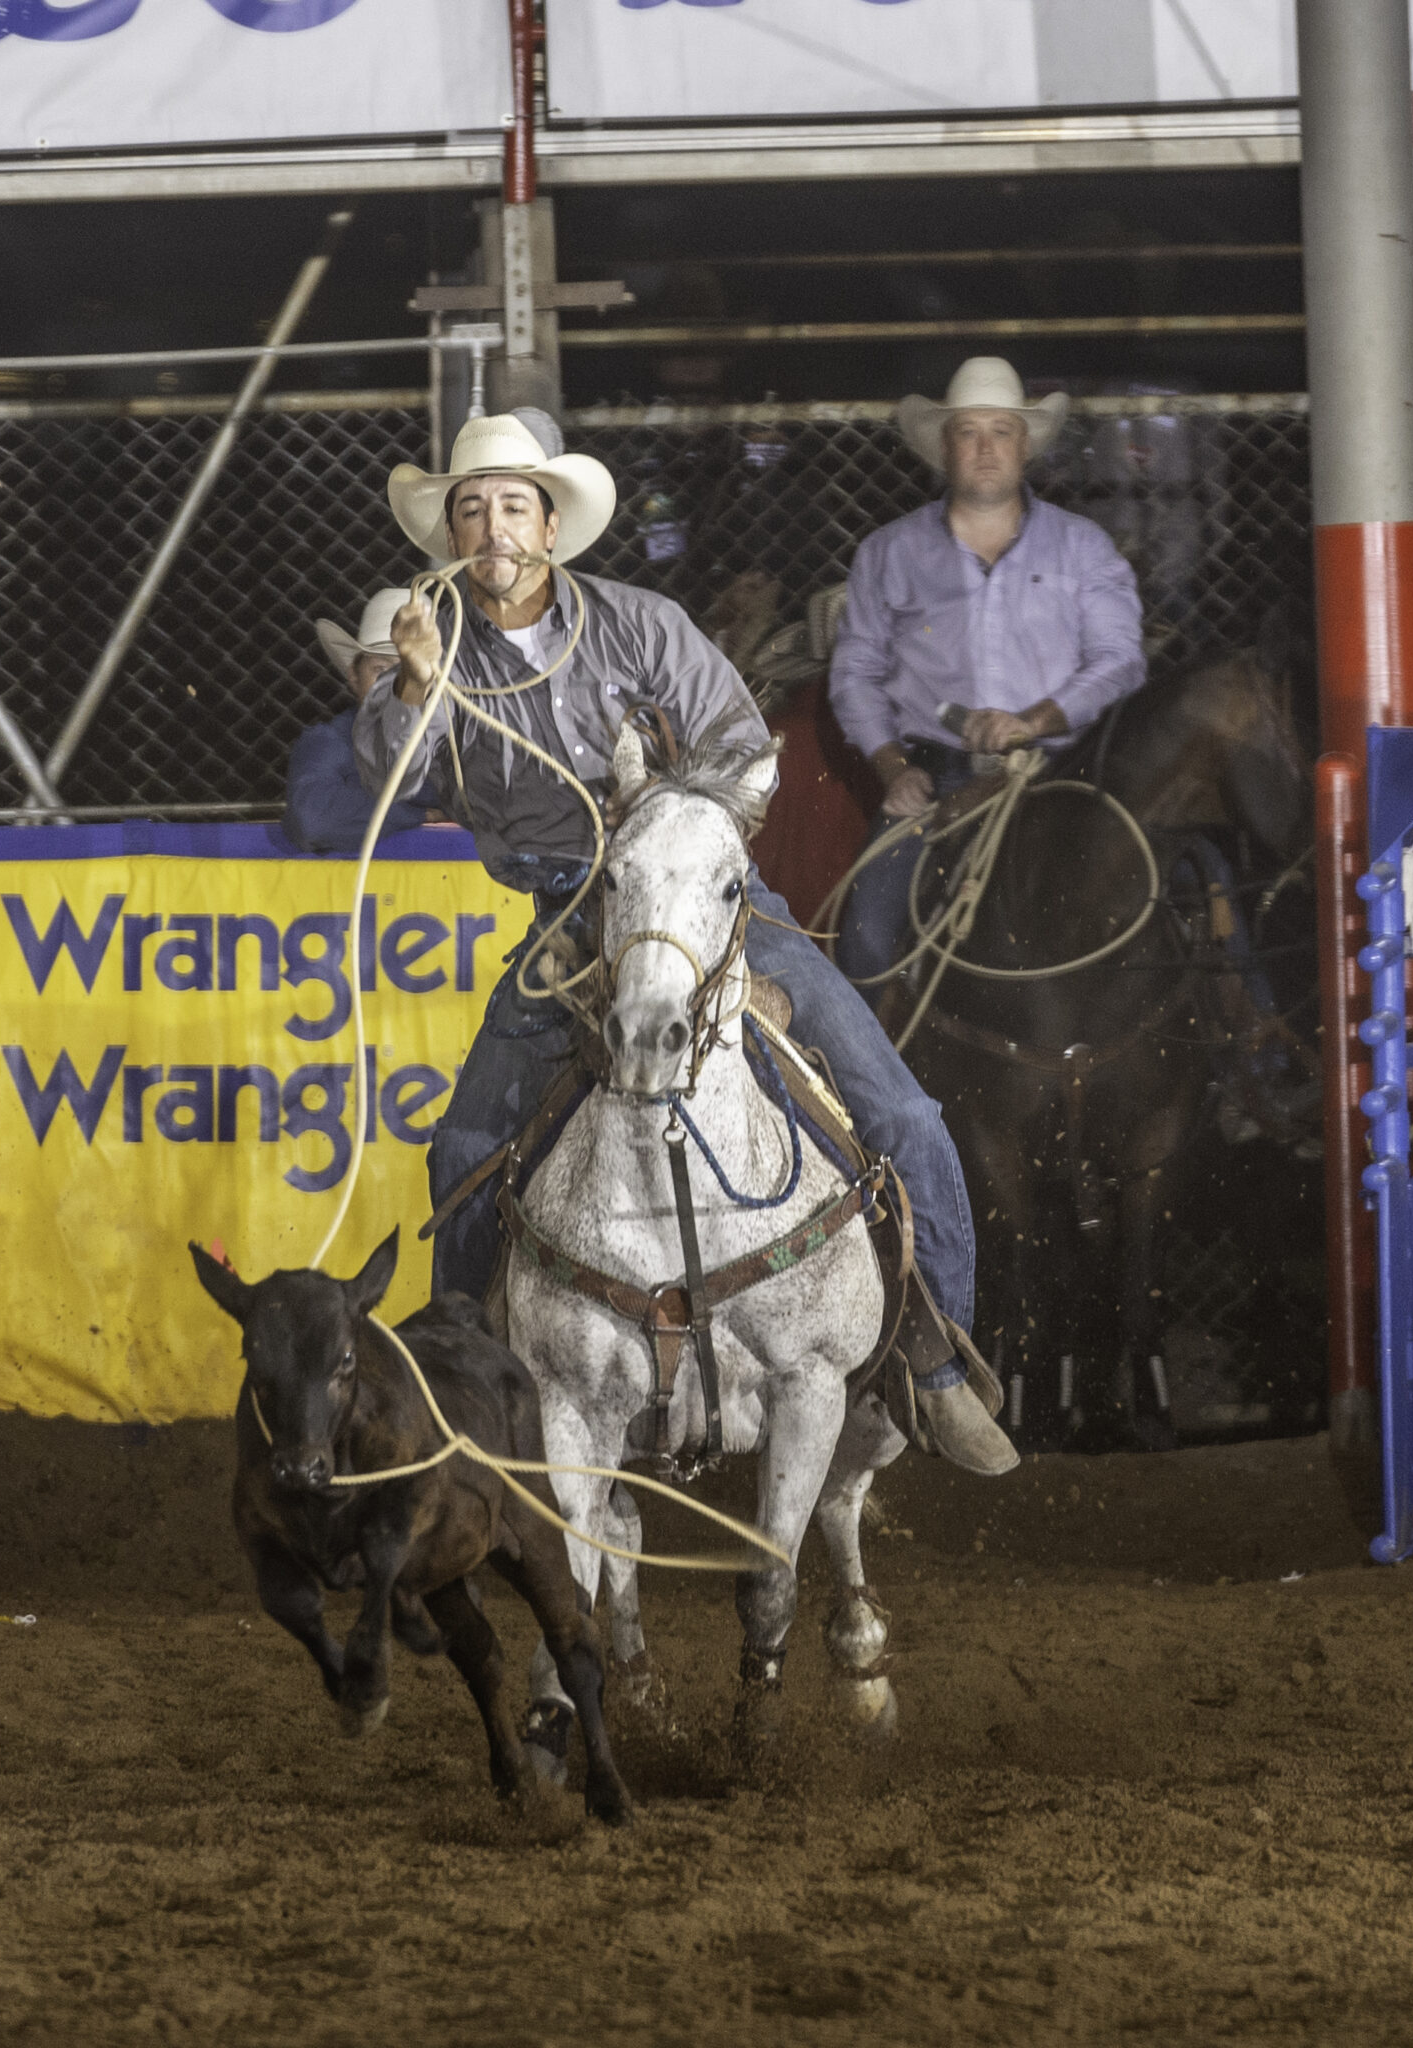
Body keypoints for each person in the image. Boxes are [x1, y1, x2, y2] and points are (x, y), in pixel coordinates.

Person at [356, 411, 1015, 1474]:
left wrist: (658, 817)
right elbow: (391, 774)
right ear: (451, 533)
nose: (492, 527)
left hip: (710, 901)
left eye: (512, 505)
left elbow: (740, 748)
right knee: (466, 1148)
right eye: (470, 509)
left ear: (552, 523)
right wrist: (417, 685)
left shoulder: (639, 624)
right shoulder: (437, 652)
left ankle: (936, 1370)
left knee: (904, 1112)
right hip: (569, 922)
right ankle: (472, 1396)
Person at [826, 357, 1145, 981]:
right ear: (944, 447)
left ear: (1025, 445)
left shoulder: (1081, 547)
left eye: (1001, 430)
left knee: (1183, 893)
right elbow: (855, 673)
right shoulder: (890, 552)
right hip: (936, 781)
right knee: (865, 946)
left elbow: (1121, 658)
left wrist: (1035, 720)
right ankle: (867, 1079)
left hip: (1063, 775)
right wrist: (893, 769)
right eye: (968, 431)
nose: (985, 448)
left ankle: (1259, 1042)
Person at [286, 587, 436, 854]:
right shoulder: (329, 741)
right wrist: (423, 814)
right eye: (380, 669)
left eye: (409, 669)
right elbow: (312, 820)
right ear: (353, 675)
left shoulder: (459, 743)